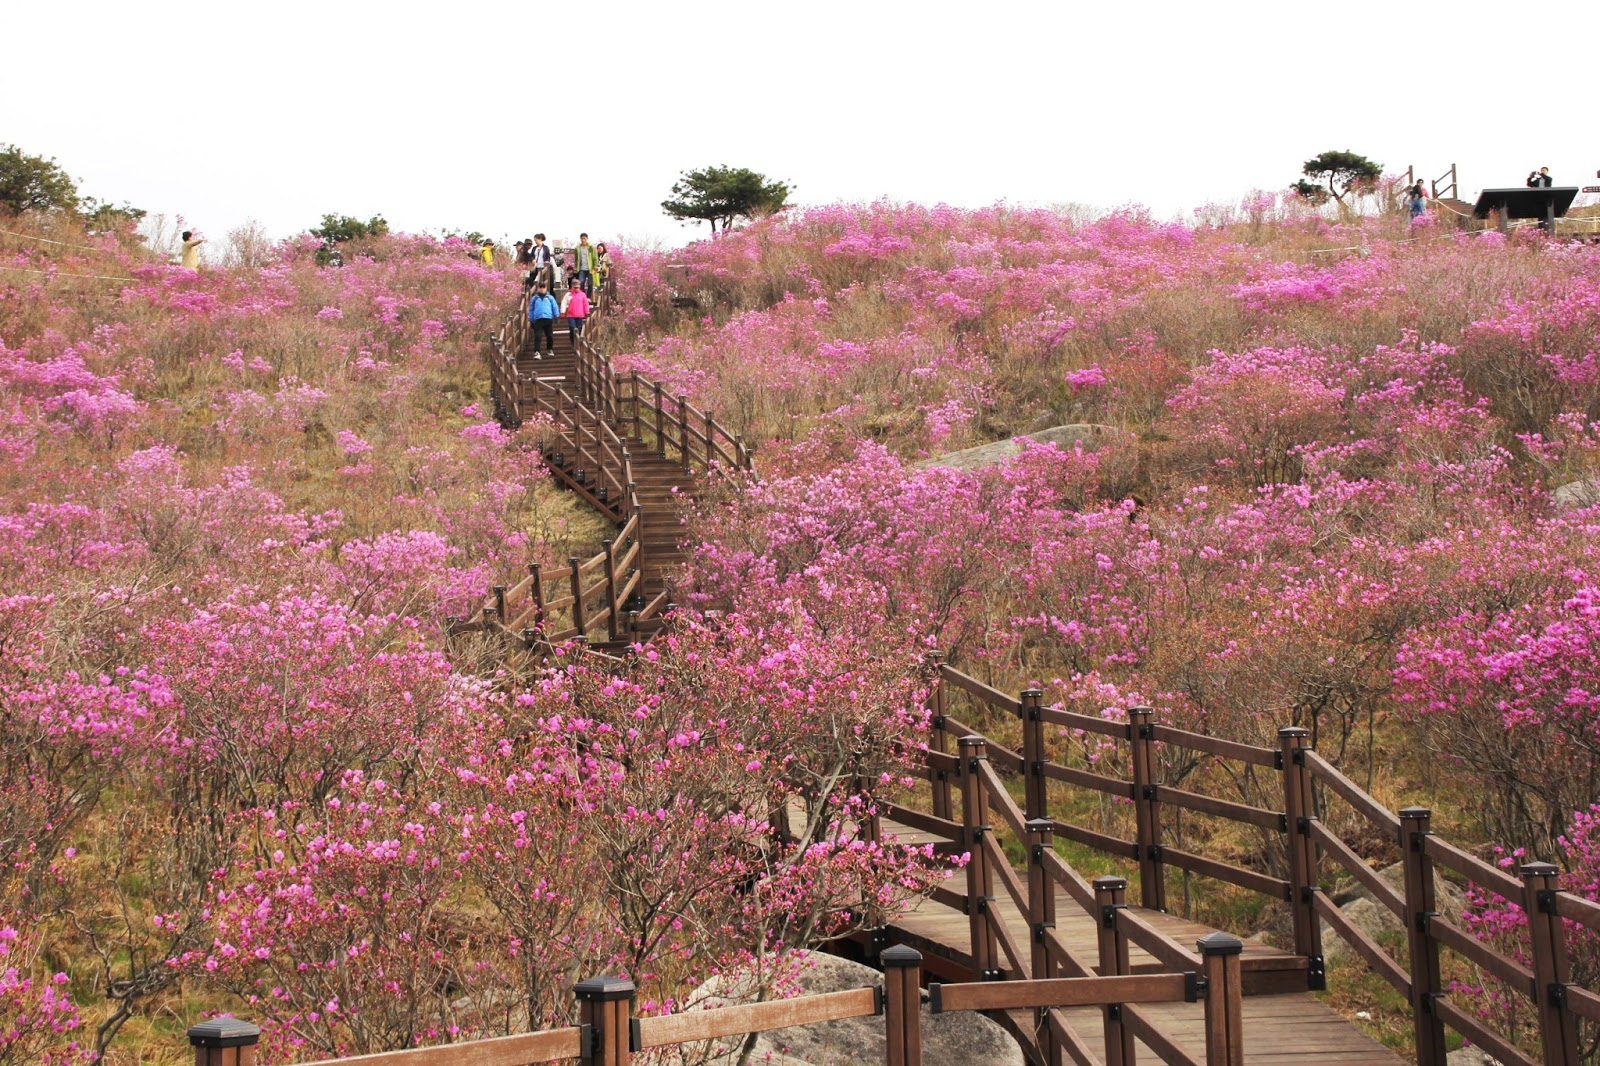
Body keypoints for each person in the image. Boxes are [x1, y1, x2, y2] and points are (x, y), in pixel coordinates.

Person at [527, 282, 560, 356]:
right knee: (538, 336)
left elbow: (555, 306)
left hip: (548, 318)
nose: (542, 289)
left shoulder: (550, 297)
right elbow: (531, 309)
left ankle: (549, 349)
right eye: (540, 287)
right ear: (538, 288)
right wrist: (531, 319)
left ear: (546, 288)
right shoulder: (535, 298)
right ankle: (537, 351)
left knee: (549, 336)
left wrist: (556, 316)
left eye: (543, 287)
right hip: (538, 319)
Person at [572, 232, 596, 297]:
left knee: (590, 283)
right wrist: (576, 267)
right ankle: (582, 296)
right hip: (581, 268)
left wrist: (595, 266)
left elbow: (594, 257)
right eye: (582, 238)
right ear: (580, 239)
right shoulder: (578, 248)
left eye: (584, 238)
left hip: (590, 268)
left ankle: (588, 297)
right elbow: (576, 259)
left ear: (587, 238)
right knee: (581, 282)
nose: (583, 240)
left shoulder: (591, 247)